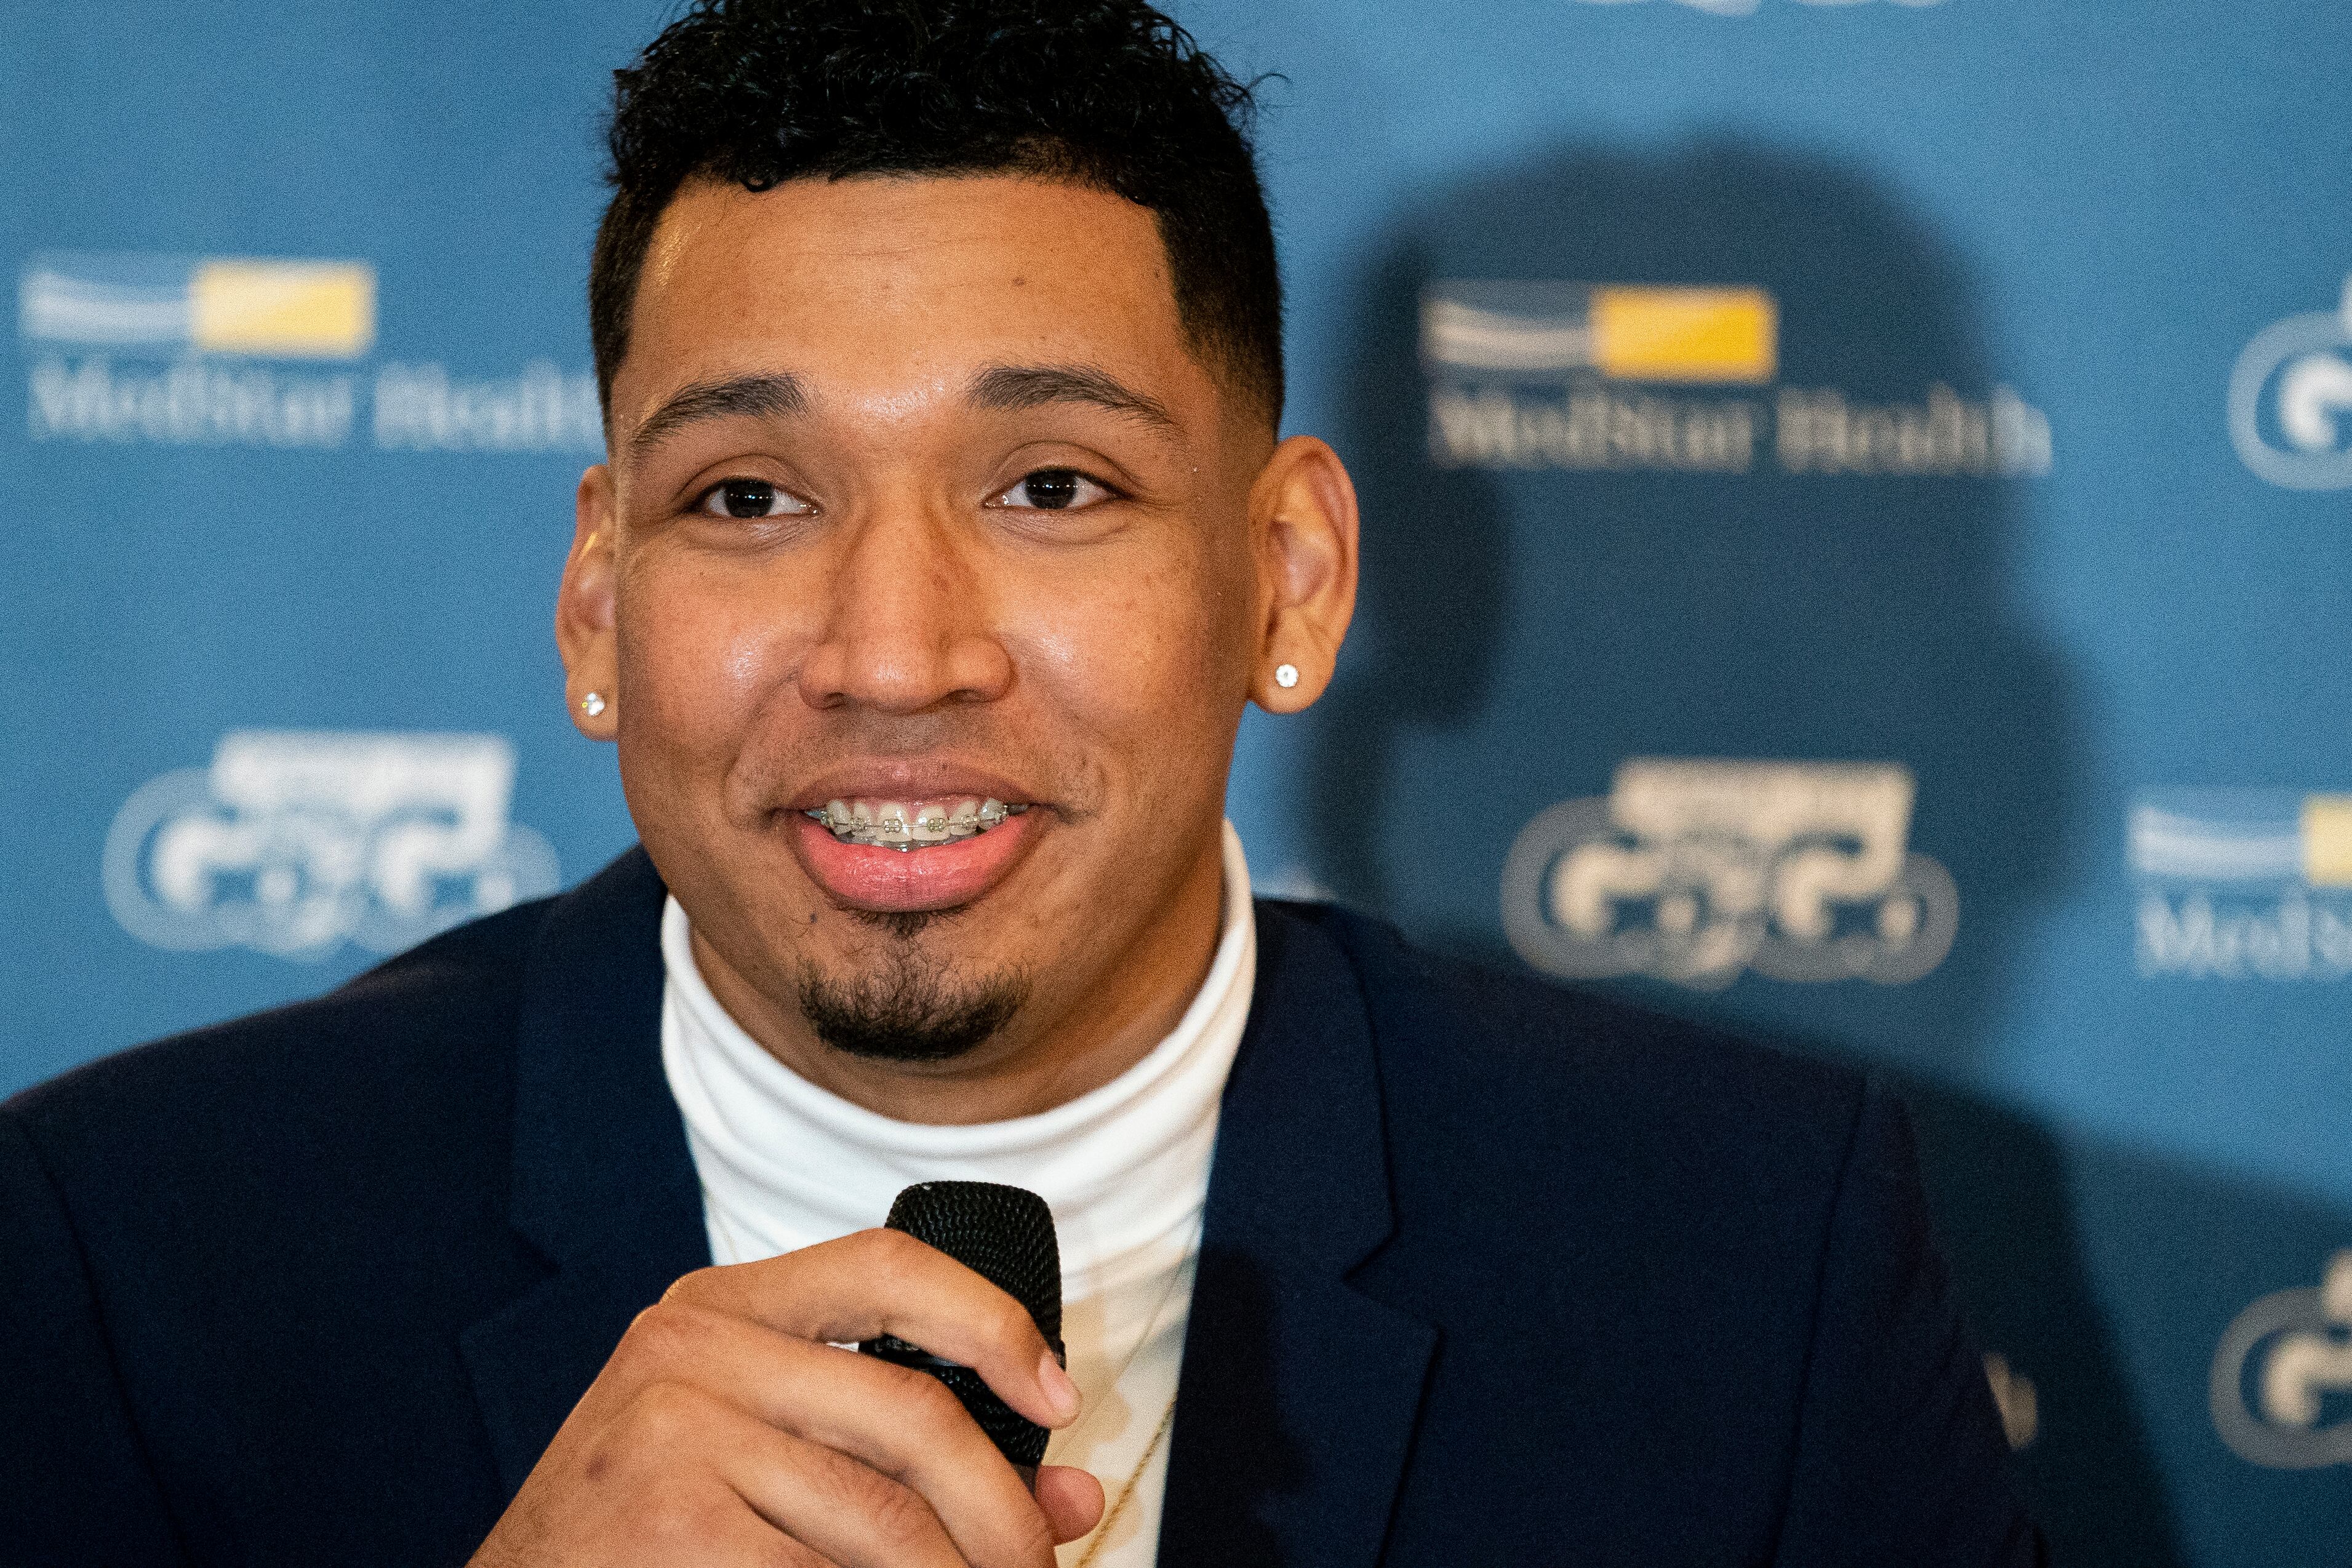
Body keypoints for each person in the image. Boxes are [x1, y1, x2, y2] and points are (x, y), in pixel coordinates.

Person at [0, 2, 2041, 1564]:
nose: (896, 653)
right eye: (750, 494)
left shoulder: (1747, 1256)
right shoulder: (130, 1255)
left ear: (1291, 579)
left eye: (1053, 485)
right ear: (598, 608)